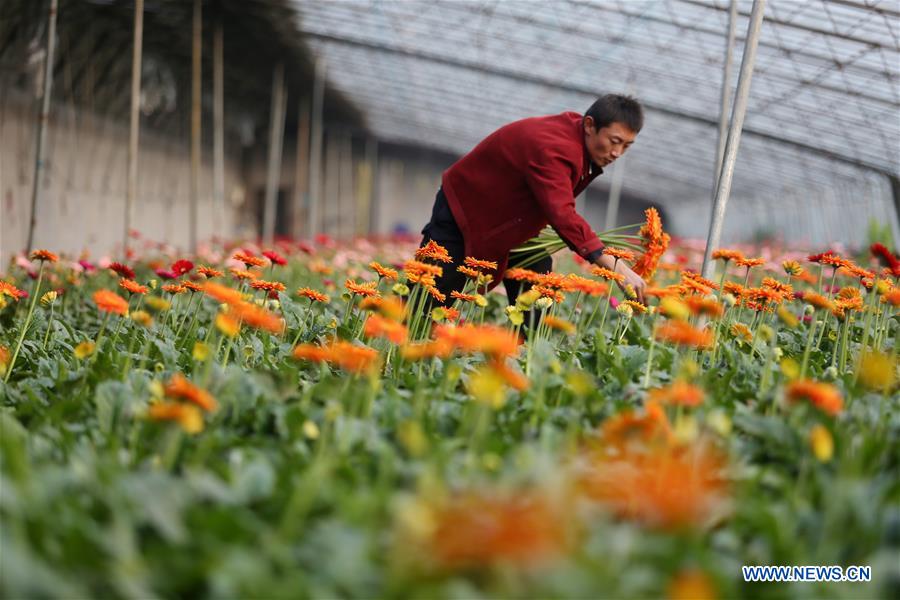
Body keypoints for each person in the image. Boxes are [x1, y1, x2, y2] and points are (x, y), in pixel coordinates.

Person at [419, 94, 647, 310]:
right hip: (465, 210)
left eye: (626, 146)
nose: (617, 153)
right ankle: (402, 340)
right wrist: (616, 265)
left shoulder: (575, 137)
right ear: (589, 125)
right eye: (614, 141)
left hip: (510, 221)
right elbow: (562, 213)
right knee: (431, 294)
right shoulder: (554, 148)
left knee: (538, 287)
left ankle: (530, 348)